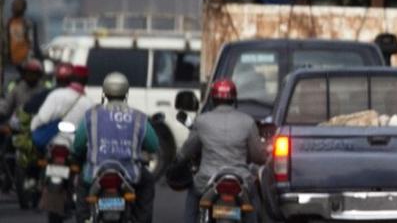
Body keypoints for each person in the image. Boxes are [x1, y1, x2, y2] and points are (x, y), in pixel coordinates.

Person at [72, 73, 159, 223]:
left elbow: (77, 145)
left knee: (81, 185)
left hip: (95, 172)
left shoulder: (91, 115)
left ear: (104, 92)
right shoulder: (138, 117)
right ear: (126, 92)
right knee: (148, 182)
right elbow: (153, 145)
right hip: (130, 173)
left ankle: (84, 218)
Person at [176, 79, 265, 223]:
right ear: (234, 99)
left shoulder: (202, 121)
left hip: (206, 179)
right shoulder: (248, 122)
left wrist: (178, 159)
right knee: (254, 200)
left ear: (212, 98)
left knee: (192, 196)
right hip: (241, 180)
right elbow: (258, 156)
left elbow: (187, 151)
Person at [32, 64, 93, 149]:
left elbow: (42, 118)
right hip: (74, 145)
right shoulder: (89, 104)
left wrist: (33, 129)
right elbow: (89, 131)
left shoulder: (56, 94)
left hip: (50, 141)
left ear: (71, 78)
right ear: (86, 80)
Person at [6, 0, 40, 67]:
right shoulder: (28, 24)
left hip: (11, 62)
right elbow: (33, 45)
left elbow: (7, 43)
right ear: (25, 9)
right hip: (25, 62)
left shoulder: (9, 23)